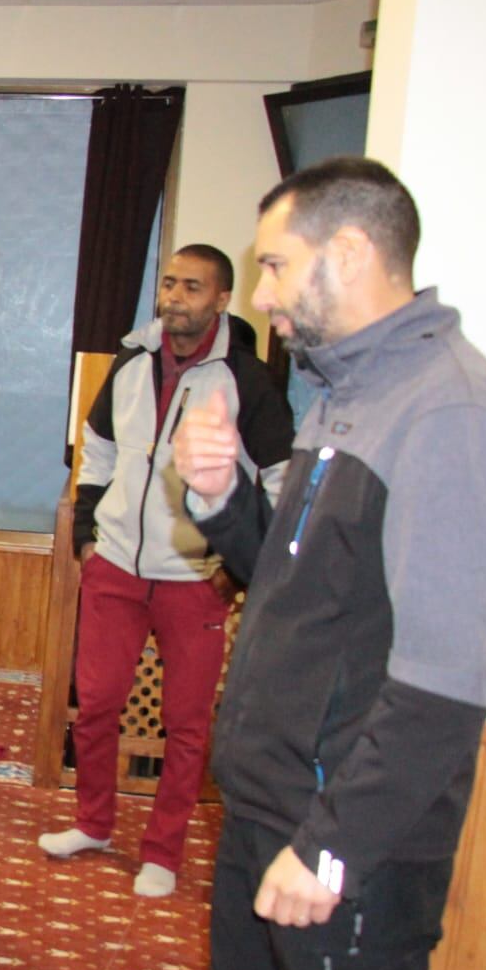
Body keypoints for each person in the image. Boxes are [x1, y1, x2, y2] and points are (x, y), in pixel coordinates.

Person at [121, 158, 486, 970]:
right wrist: (217, 497)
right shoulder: (348, 389)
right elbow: (292, 588)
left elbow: (446, 682)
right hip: (271, 807)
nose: (264, 296)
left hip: (349, 841)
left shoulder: (449, 411)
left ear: (349, 254)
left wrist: (330, 846)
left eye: (277, 267)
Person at [39, 246, 293, 897]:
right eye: (170, 283)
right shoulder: (131, 361)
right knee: (96, 705)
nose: (175, 297)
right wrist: (90, 537)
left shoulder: (247, 379)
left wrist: (240, 567)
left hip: (194, 577)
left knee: (186, 723)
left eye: (193, 287)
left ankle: (163, 851)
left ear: (222, 299)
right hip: (116, 567)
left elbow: (281, 480)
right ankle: (93, 823)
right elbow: (97, 448)